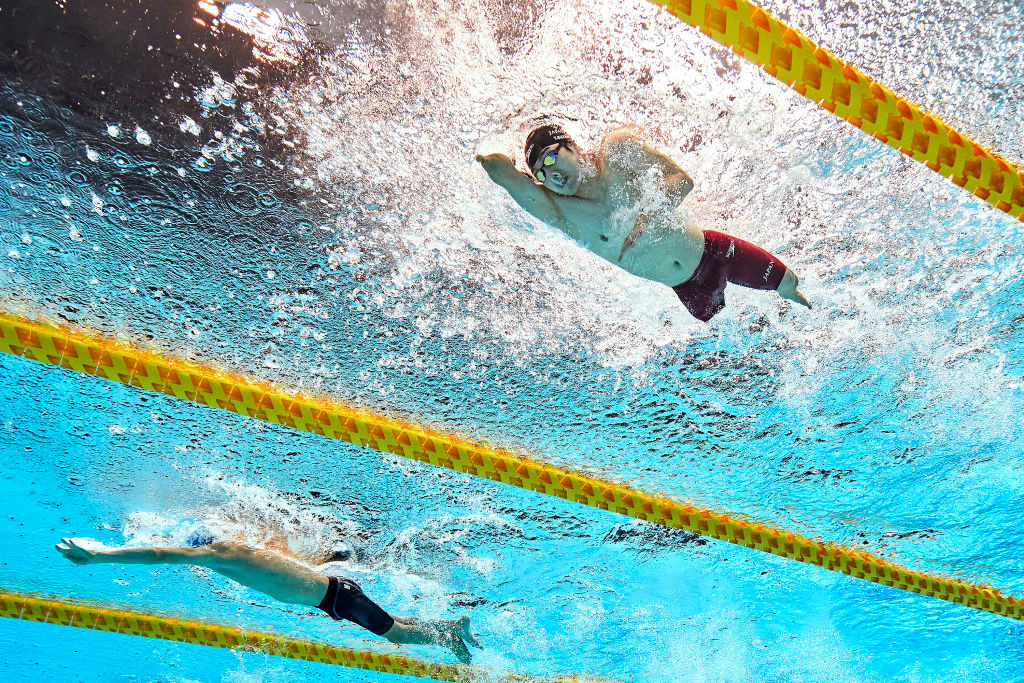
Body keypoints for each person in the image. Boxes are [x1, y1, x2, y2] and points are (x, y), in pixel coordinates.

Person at [476, 123, 811, 321]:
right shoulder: (562, 213)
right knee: (742, 332)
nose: (550, 174)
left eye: (550, 158)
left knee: (789, 286)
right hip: (687, 291)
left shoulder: (616, 153)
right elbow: (503, 174)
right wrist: (484, 156)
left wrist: (648, 216)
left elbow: (682, 180)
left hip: (715, 252)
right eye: (540, 173)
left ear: (572, 146)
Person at [55, 536, 482, 663]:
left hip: (337, 597)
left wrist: (99, 557)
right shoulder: (237, 551)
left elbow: (161, 555)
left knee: (398, 637)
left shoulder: (221, 554)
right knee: (396, 621)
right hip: (335, 593)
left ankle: (448, 639)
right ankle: (452, 626)